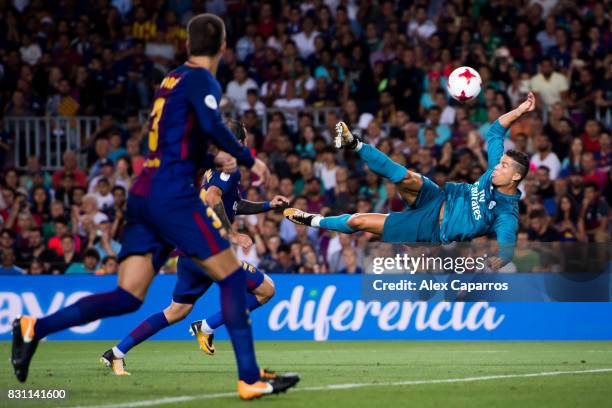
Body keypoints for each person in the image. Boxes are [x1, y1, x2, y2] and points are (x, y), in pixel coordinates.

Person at [11, 14, 298, 400]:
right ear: (223, 47)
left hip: (144, 192)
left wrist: (214, 162)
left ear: (186, 46)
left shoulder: (170, 80)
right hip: (173, 196)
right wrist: (248, 159)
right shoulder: (201, 79)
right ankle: (249, 378)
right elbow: (214, 130)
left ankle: (34, 327)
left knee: (128, 295)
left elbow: (181, 141)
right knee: (232, 279)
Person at [102, 120, 289, 370]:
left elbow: (233, 203)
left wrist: (268, 206)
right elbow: (213, 197)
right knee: (267, 289)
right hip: (209, 252)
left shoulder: (218, 167)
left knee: (176, 311)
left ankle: (117, 351)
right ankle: (210, 330)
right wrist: (232, 235)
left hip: (190, 253)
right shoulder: (229, 168)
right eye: (244, 139)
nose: (247, 143)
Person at [284, 93, 538, 269]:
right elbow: (495, 131)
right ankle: (354, 142)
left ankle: (312, 220)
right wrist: (520, 110)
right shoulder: (495, 171)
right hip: (437, 197)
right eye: (500, 162)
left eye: (504, 166)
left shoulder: (507, 212)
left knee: (358, 220)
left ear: (516, 176)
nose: (497, 167)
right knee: (406, 176)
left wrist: (501, 259)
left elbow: (507, 245)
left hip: (430, 227)